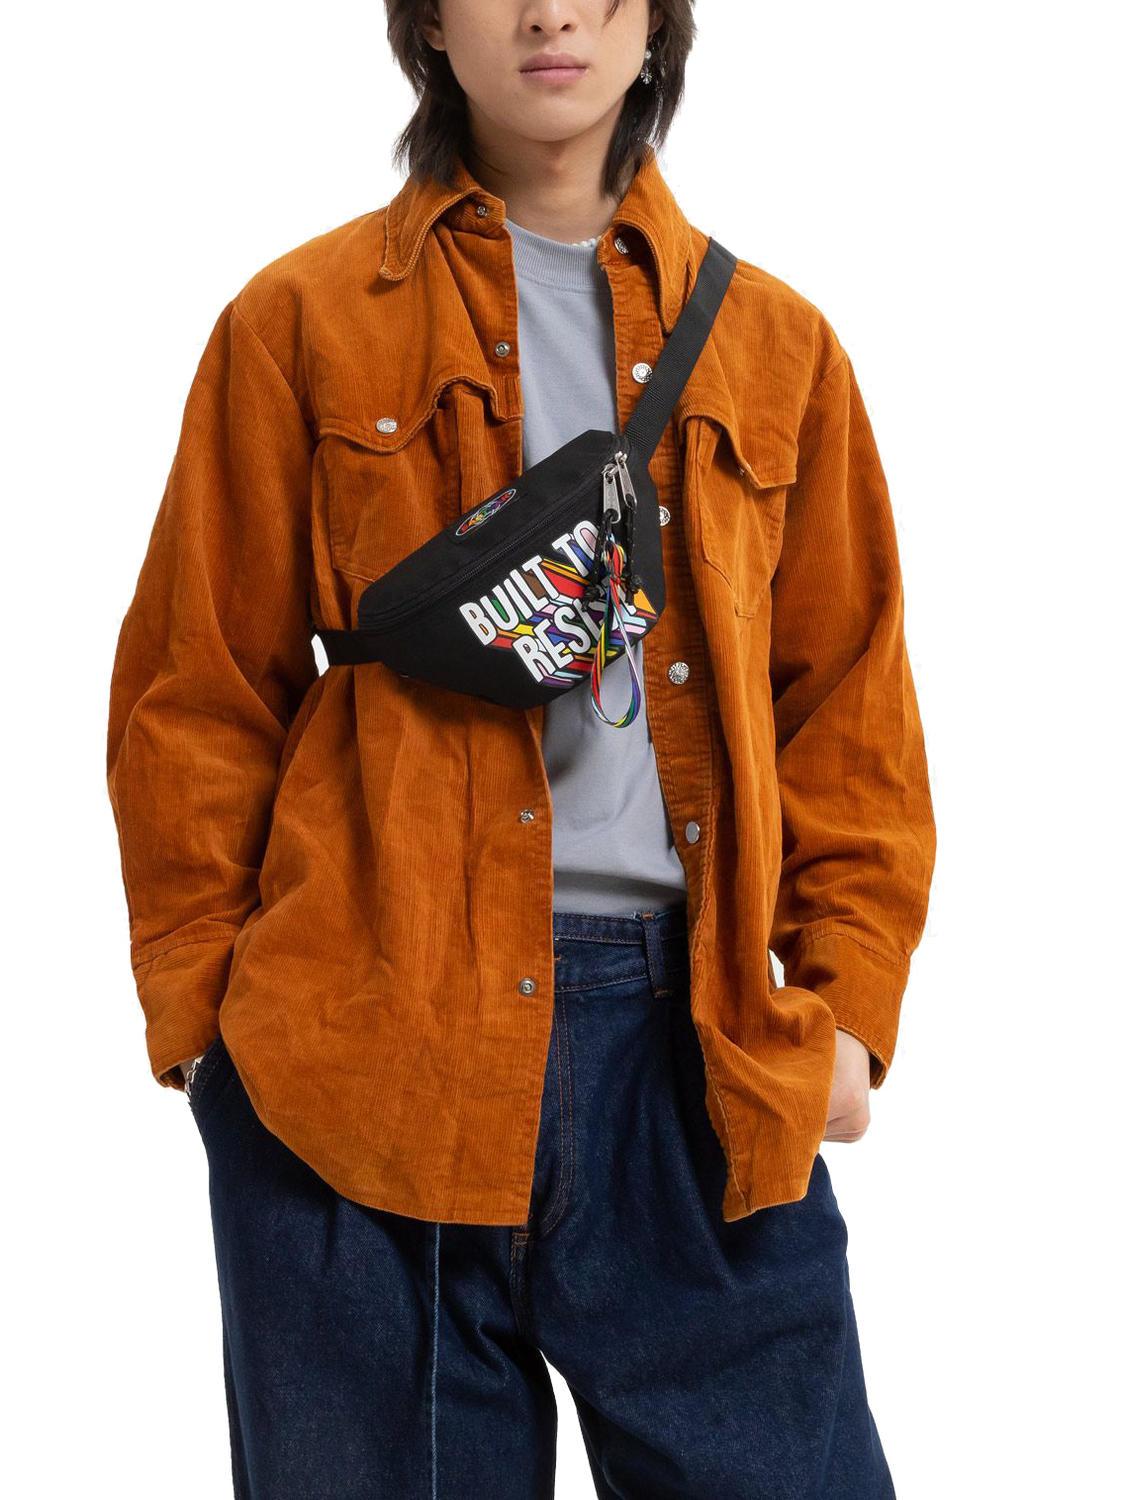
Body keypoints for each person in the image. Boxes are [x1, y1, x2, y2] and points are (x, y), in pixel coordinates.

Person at [106, 1, 937, 1495]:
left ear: (657, 21)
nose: (549, 12)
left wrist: (850, 1015)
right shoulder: (299, 321)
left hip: (695, 1052)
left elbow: (850, 705)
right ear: (429, 22)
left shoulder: (778, 346)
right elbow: (195, 687)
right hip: (368, 1031)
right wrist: (214, 1032)